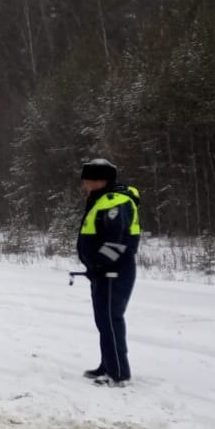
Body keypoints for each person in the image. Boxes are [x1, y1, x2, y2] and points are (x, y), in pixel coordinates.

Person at [77, 159, 141, 386]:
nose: (85, 185)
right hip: (103, 271)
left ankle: (118, 373)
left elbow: (117, 241)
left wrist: (100, 265)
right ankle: (107, 364)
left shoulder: (116, 203)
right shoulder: (103, 199)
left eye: (88, 180)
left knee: (111, 320)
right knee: (104, 321)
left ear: (100, 180)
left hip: (114, 270)